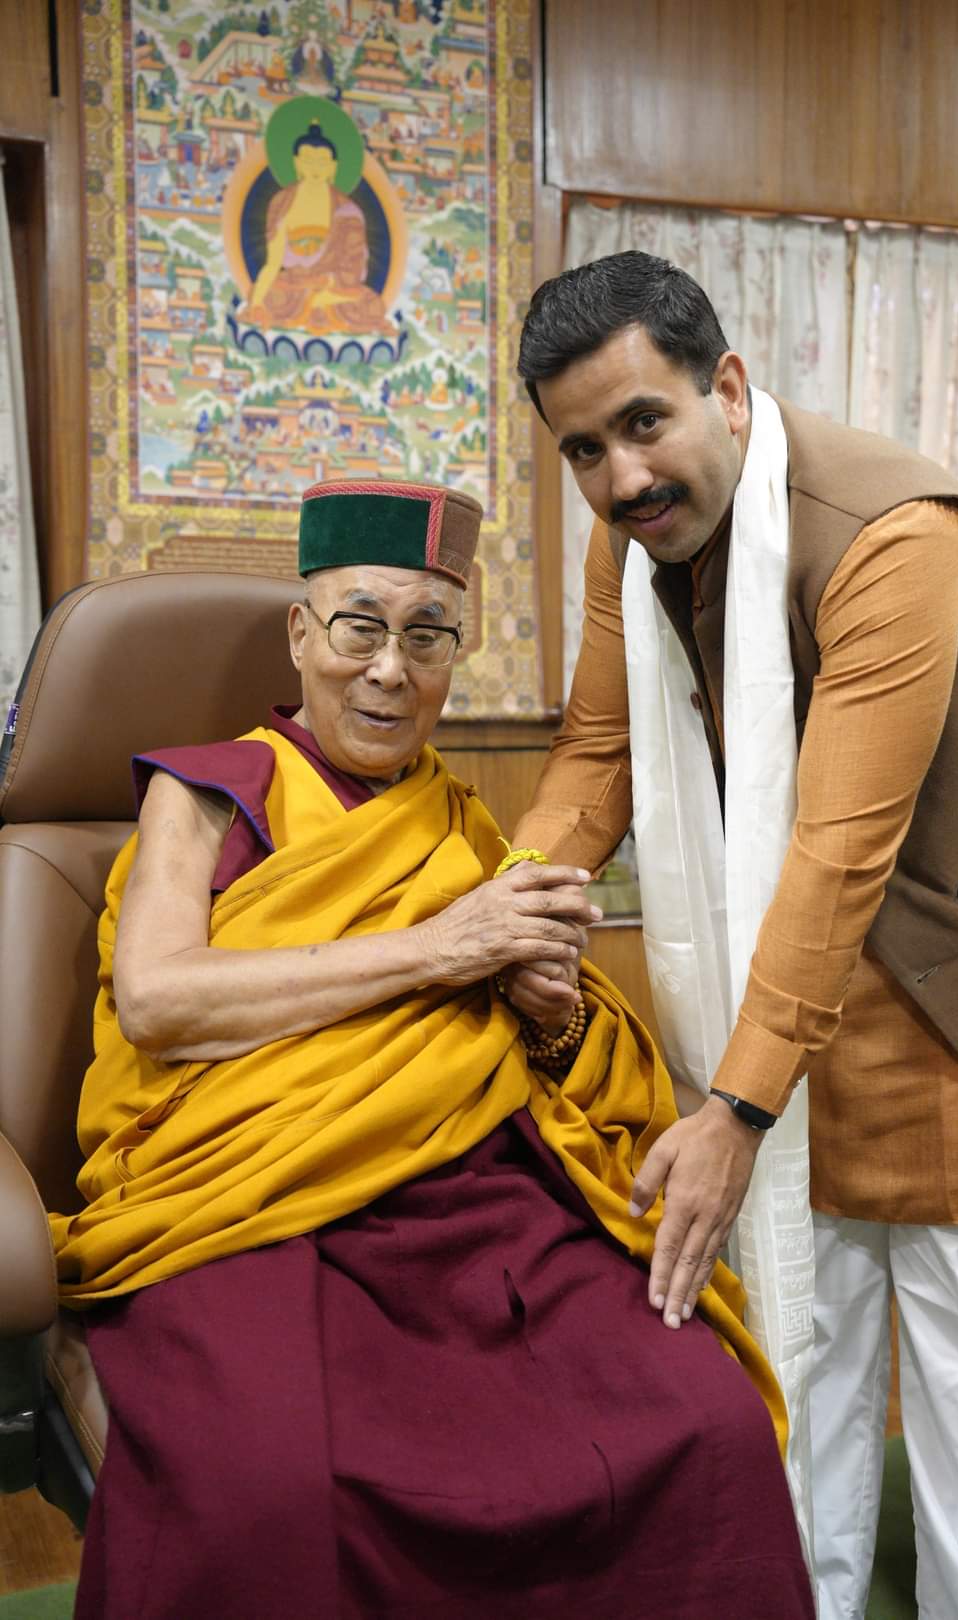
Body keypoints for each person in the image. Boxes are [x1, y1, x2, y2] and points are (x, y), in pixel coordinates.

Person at [50, 479, 815, 1620]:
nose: (390, 669)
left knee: (702, 1425)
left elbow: (571, 1051)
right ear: (302, 635)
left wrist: (550, 1004)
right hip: (251, 1203)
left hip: (479, 1202)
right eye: (360, 626)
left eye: (428, 634)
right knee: (264, 1490)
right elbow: (159, 1000)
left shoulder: (462, 824)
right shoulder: (209, 792)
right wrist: (440, 948)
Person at [511, 249, 958, 1620]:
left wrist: (733, 1106)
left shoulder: (900, 534)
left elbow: (836, 848)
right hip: (793, 1008)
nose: (624, 477)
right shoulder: (629, 542)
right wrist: (491, 915)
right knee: (801, 1369)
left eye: (645, 423)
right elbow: (596, 760)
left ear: (728, 387)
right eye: (583, 448)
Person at [245, 122, 390, 334]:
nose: (315, 168)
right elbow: (273, 263)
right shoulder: (281, 203)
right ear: (297, 163)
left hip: (334, 289)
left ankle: (317, 306)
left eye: (322, 161)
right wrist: (256, 303)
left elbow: (353, 271)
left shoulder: (348, 211)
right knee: (265, 295)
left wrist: (326, 294)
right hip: (296, 286)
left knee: (372, 306)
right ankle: (310, 307)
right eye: (308, 160)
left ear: (333, 167)